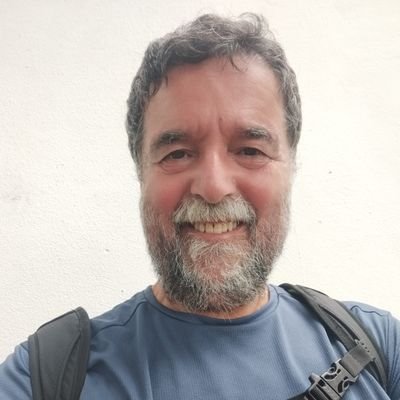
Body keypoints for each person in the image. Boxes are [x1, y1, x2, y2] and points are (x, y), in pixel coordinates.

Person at [0, 13, 399, 400]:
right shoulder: (44, 377)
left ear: (291, 166)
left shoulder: (377, 345)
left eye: (250, 150)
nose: (213, 187)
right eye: (177, 153)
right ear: (141, 172)